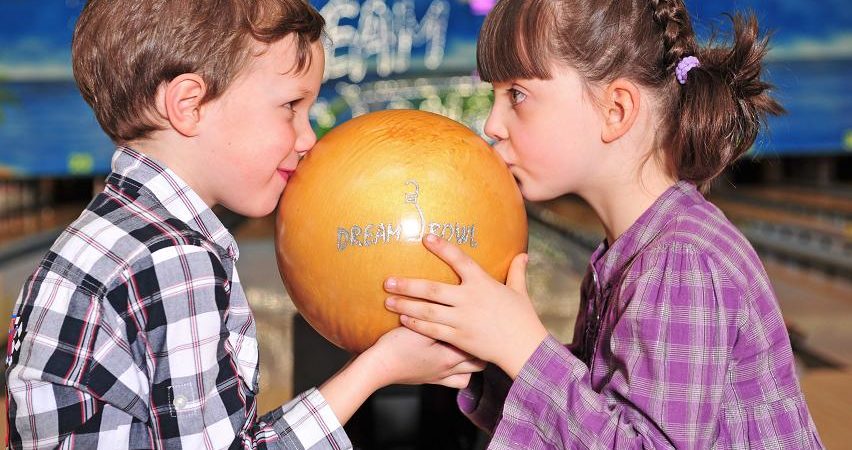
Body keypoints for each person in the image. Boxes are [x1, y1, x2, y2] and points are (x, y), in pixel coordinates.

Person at [4, 0, 483, 448]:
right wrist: (377, 368)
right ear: (189, 105)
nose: (307, 138)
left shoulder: (99, 238)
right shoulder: (173, 262)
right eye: (291, 107)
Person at [382, 0, 825, 448]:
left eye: (516, 94)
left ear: (616, 110)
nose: (492, 123)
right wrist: (485, 357)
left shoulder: (681, 261)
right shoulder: (631, 253)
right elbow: (590, 421)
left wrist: (522, 346)